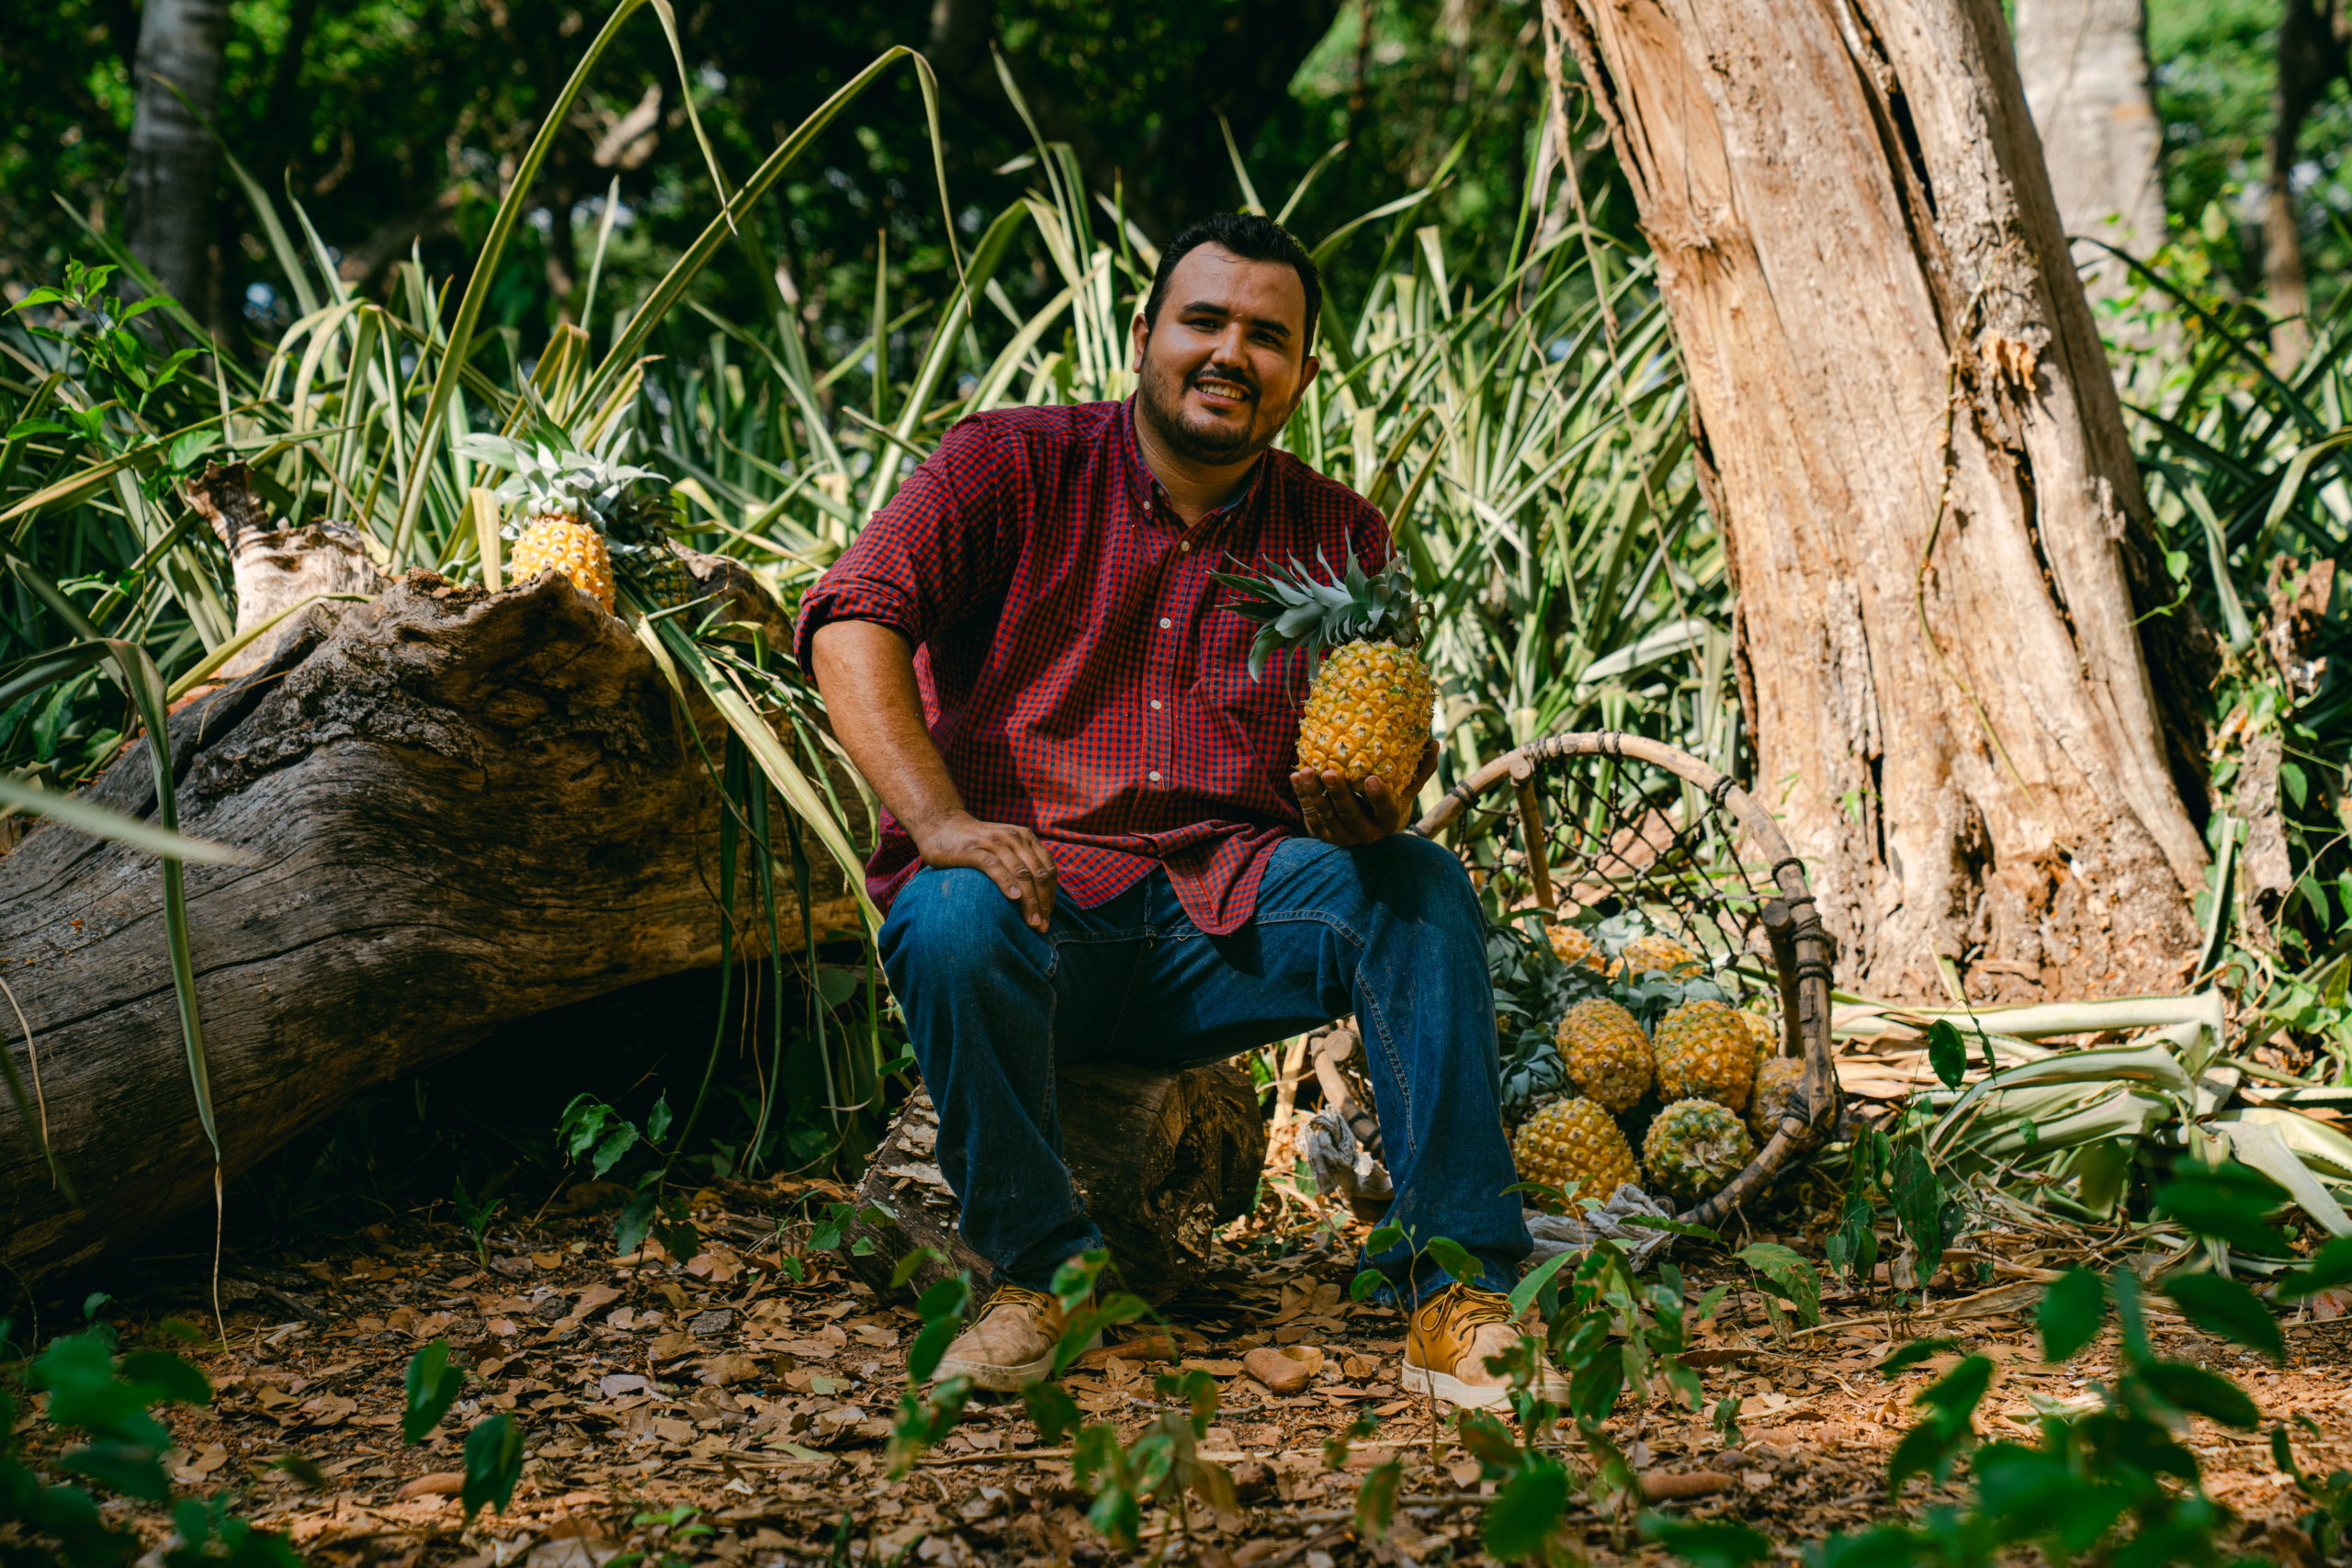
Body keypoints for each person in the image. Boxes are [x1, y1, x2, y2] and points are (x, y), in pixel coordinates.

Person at [797, 212, 1555, 1409]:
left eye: (1267, 335)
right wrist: (939, 822)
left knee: (1418, 887)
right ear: (1145, 333)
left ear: (1302, 373)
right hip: (1028, 919)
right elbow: (852, 618)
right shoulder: (1007, 462)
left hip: (1225, 930)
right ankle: (1041, 1278)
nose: (1228, 352)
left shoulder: (1341, 542)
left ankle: (1454, 1288)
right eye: (1203, 320)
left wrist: (1361, 807)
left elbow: (1387, 758)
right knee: (945, 916)